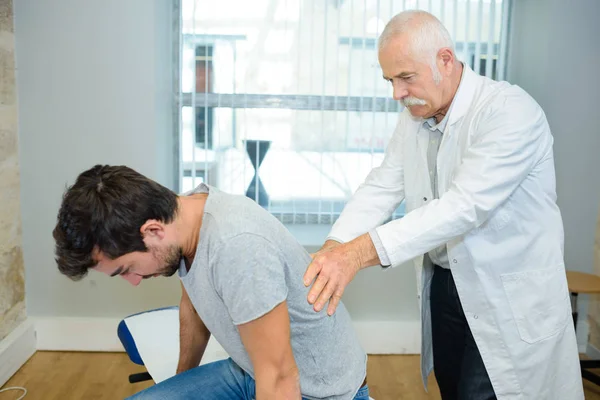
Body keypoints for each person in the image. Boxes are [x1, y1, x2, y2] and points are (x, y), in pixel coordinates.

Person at [302, 10, 583, 400]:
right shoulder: (416, 114)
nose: (396, 93)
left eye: (405, 78)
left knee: (487, 392)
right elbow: (384, 183)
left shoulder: (509, 112)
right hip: (447, 285)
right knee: (453, 388)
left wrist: (358, 253)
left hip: (508, 293)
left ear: (445, 61)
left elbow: (463, 206)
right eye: (390, 80)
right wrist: (336, 246)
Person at [52, 165, 369, 400]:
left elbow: (282, 376)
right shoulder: (184, 216)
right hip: (250, 371)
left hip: (315, 390)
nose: (133, 281)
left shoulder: (237, 246)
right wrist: (179, 386)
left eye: (126, 269)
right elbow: (193, 303)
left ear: (152, 232)